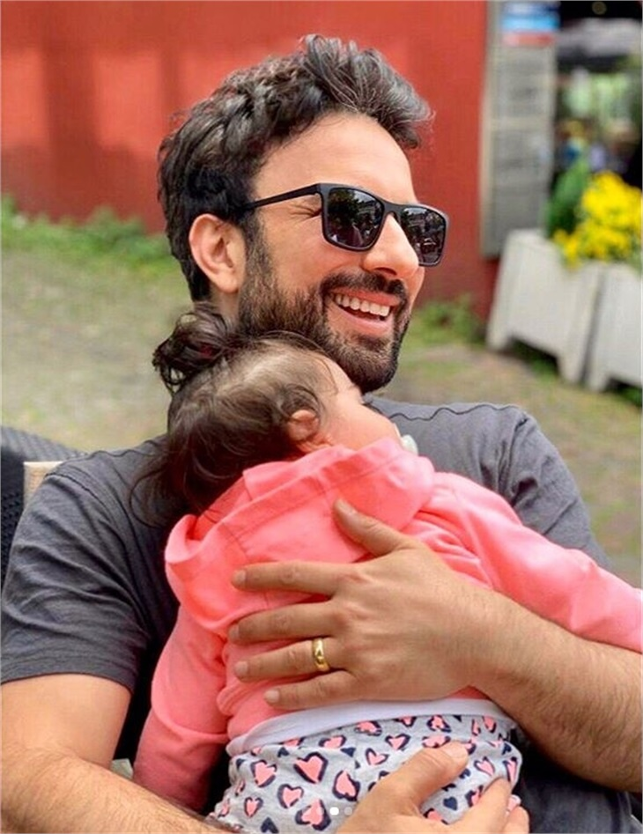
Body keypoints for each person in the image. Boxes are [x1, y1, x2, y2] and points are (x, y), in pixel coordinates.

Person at [1, 33, 640, 834]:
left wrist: (479, 635)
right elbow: (27, 778)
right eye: (350, 215)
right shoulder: (105, 510)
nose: (400, 257)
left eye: (415, 227)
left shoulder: (493, 448)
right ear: (221, 248)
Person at [131, 307, 641, 832]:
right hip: (450, 767)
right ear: (308, 428)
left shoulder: (214, 564)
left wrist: (159, 796)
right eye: (360, 402)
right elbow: (562, 582)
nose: (385, 419)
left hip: (284, 789)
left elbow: (178, 726)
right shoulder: (431, 498)